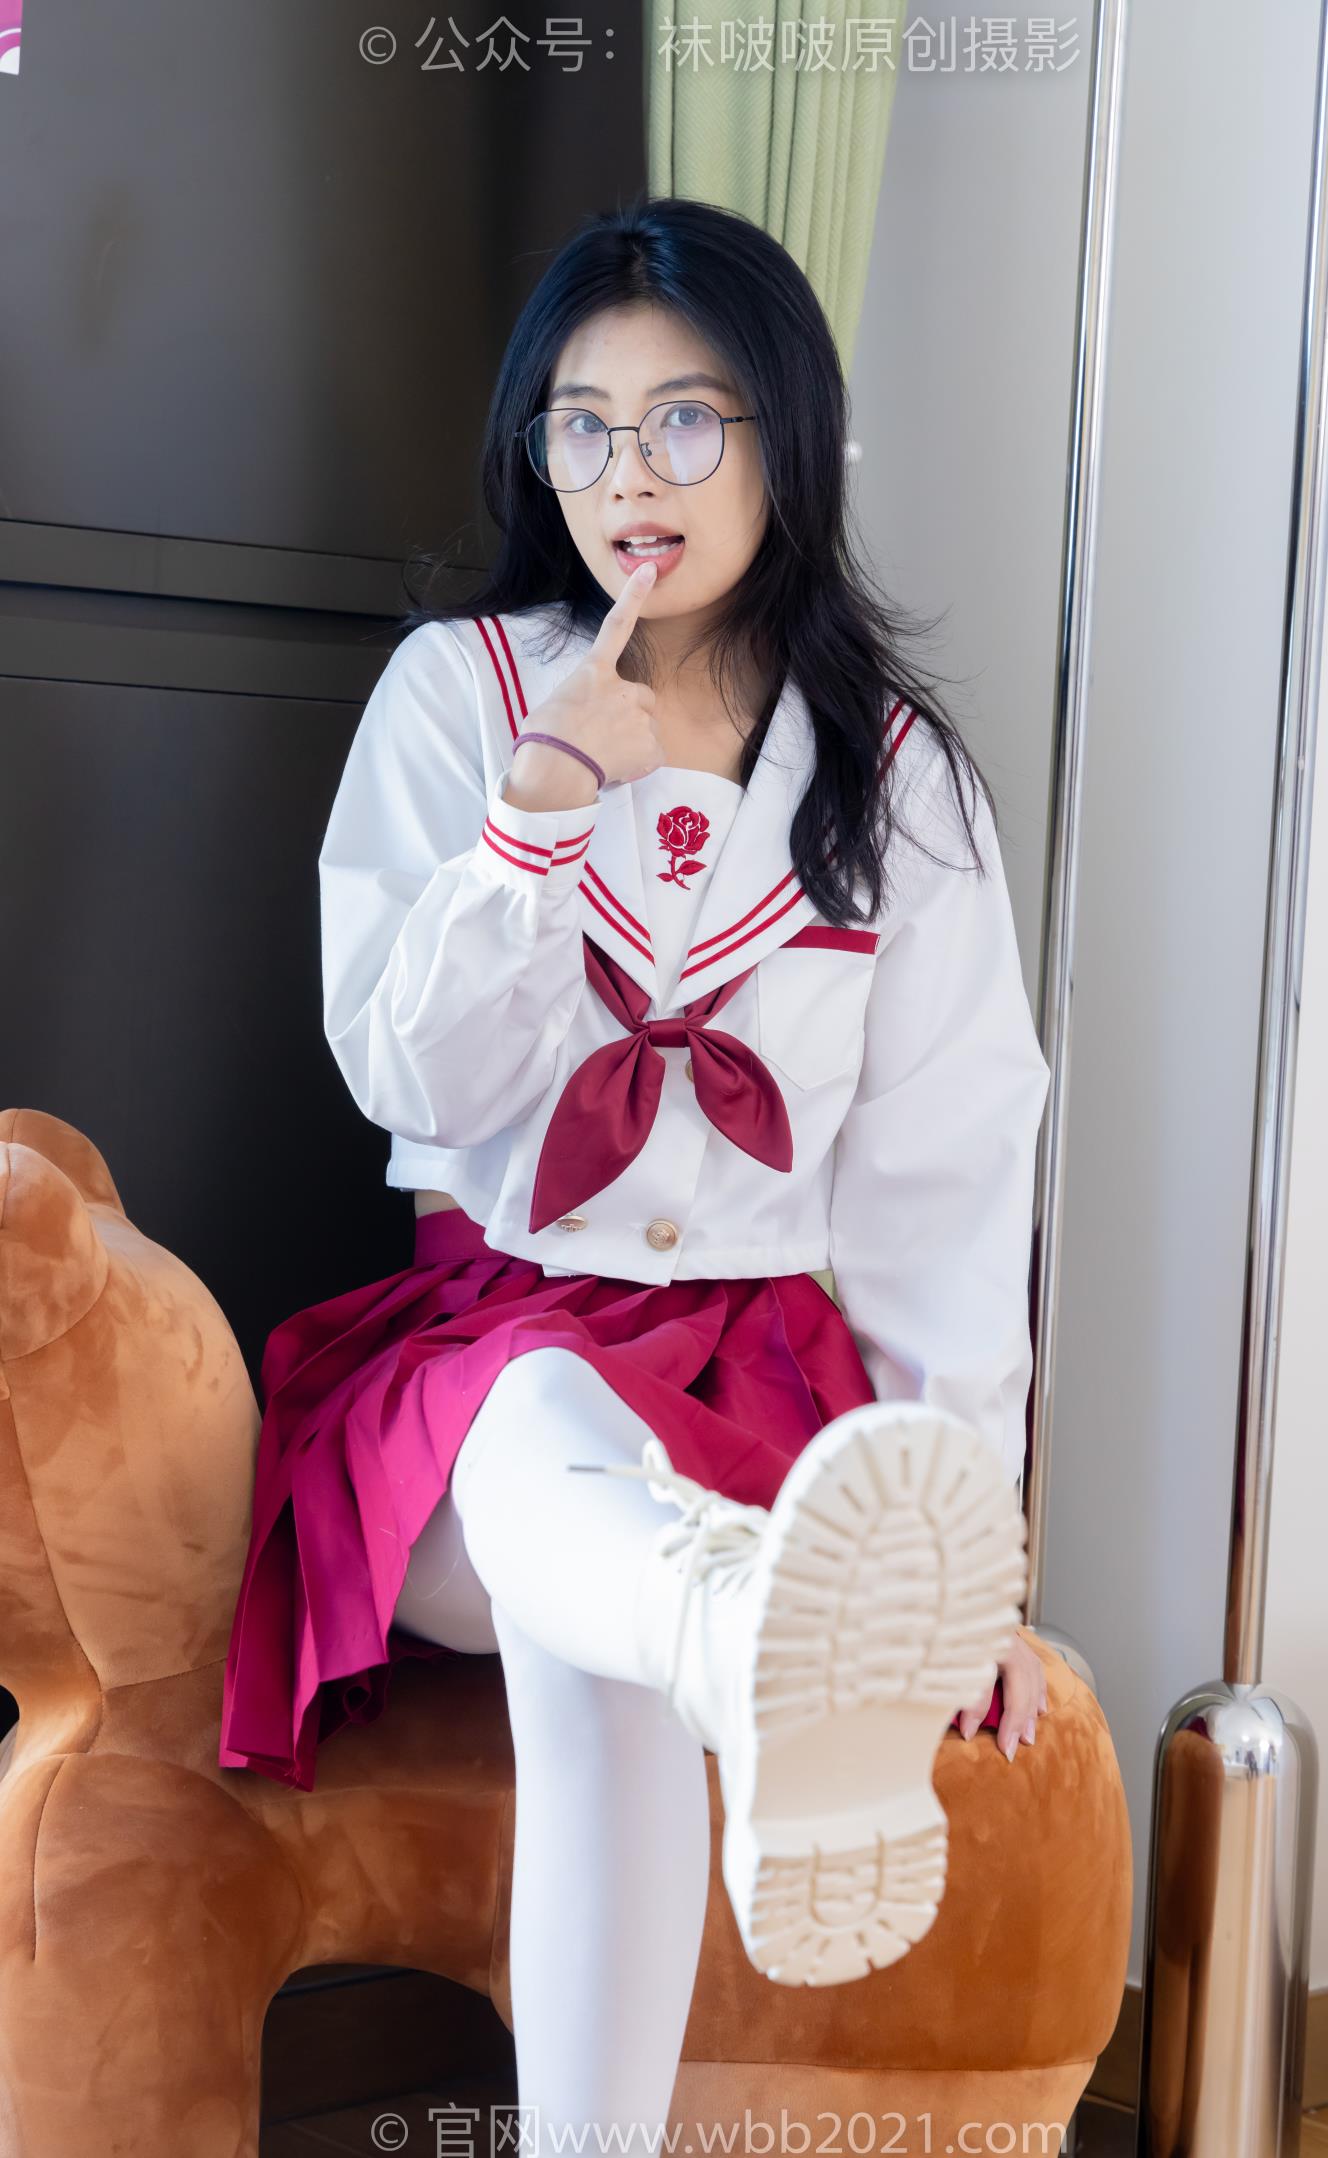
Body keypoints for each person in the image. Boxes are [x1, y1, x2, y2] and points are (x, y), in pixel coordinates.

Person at [219, 194, 1052, 2128]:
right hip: (480, 1370)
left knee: (591, 1646)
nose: (627, 477)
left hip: (754, 1388)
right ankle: (741, 1625)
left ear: (787, 434)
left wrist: (960, 1563)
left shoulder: (896, 774)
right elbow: (405, 1068)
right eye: (580, 428)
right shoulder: (459, 696)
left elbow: (947, 1177)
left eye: (683, 421)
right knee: (547, 1429)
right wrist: (536, 814)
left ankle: (730, 1620)